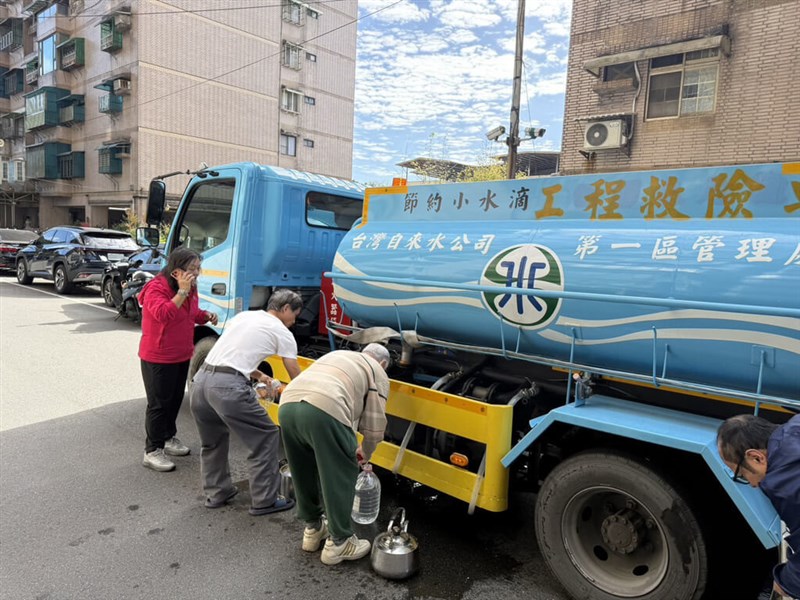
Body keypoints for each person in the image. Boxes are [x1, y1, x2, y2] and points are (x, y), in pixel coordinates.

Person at [189, 289, 303, 515]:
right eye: (295, 315)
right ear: (286, 308)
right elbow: (294, 372)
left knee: (213, 441)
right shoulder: (282, 332)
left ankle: (217, 493)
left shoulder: (244, 317)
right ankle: (264, 501)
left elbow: (232, 353)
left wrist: (260, 376)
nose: (294, 321)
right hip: (227, 387)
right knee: (265, 435)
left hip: (200, 381)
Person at [278, 344, 391, 566]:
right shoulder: (378, 372)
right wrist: (364, 452)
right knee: (339, 473)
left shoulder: (338, 355)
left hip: (288, 404)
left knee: (303, 471)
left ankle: (312, 530)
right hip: (325, 409)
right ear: (384, 364)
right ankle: (340, 543)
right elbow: (375, 427)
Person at [138, 247, 218, 472]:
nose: (197, 273)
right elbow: (164, 314)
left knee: (174, 400)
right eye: (192, 268)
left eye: (198, 268)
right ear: (176, 270)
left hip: (181, 353)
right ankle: (152, 450)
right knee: (159, 404)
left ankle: (167, 438)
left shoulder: (189, 289)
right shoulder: (156, 288)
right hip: (158, 356)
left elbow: (190, 312)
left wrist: (205, 316)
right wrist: (182, 291)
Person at [717, 413, 800, 600]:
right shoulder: (794, 425)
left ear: (756, 457)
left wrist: (786, 582)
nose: (753, 485)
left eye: (742, 475)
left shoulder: (785, 484)